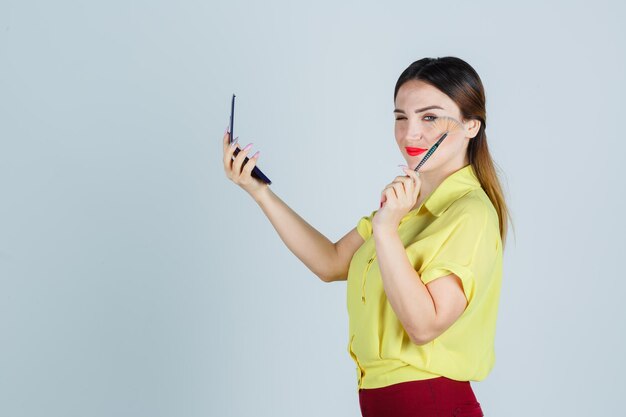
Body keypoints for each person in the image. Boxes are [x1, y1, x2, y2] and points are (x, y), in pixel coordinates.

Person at [222, 56, 511, 417]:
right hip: (382, 403)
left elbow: (424, 325)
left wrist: (386, 229)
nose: (410, 134)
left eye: (430, 117)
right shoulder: (408, 206)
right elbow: (329, 262)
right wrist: (259, 191)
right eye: (401, 117)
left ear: (471, 125)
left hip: (430, 403)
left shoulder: (469, 214)